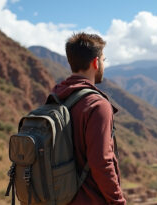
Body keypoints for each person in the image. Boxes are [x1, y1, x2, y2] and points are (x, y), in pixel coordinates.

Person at [52, 32, 126, 204]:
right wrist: (118, 201)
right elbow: (102, 162)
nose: (103, 66)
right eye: (104, 60)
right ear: (95, 62)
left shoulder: (56, 96)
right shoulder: (97, 105)